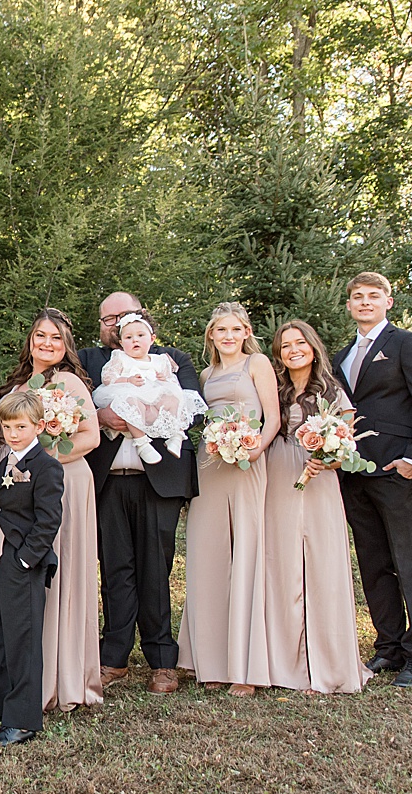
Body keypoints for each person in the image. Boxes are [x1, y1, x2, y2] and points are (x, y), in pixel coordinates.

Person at [80, 293, 201, 695]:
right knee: (115, 568)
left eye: (124, 318)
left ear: (144, 323)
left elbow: (186, 407)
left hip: (158, 480)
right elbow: (75, 405)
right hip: (109, 481)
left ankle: (162, 659)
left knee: (157, 568)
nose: (116, 326)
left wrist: (142, 412)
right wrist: (98, 415)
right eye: (108, 319)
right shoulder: (91, 361)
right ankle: (113, 657)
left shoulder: (170, 360)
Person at [332, 272, 412, 688]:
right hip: (353, 472)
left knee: (409, 558)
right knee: (374, 561)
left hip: (398, 469)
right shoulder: (343, 355)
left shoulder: (406, 344)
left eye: (373, 296)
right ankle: (389, 647)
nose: (364, 302)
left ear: (388, 302)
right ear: (348, 305)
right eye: (357, 297)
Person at [2, 308, 102, 712]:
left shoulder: (70, 382)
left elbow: (91, 437)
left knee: (62, 572)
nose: (46, 343)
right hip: (27, 490)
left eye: (55, 338)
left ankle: (65, 676)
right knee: (33, 578)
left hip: (66, 482)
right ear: (31, 339)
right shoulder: (21, 383)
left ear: (65, 346)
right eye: (40, 335)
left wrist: (41, 464)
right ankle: (32, 674)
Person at [263, 320, 371, 694]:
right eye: (285, 345)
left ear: (313, 347)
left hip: (318, 479)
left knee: (319, 564)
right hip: (276, 473)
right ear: (278, 353)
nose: (294, 350)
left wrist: (327, 459)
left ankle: (324, 662)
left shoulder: (332, 391)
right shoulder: (273, 391)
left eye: (300, 343)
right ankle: (282, 663)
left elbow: (347, 446)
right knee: (280, 563)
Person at [179, 302, 280, 696]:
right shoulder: (205, 373)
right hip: (211, 463)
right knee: (208, 555)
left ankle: (246, 666)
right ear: (211, 336)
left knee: (245, 554)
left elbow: (272, 418)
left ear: (245, 332)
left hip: (247, 462)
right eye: (221, 330)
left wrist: (254, 451)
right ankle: (212, 660)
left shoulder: (256, 364)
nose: (228, 336)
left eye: (235, 329)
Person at [0, 391, 65, 748]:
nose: (12, 433)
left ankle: (22, 720)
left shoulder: (47, 466)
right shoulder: (2, 461)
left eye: (20, 427)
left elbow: (48, 521)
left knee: (22, 639)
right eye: (7, 426)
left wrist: (26, 559)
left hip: (22, 561)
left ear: (39, 426)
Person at [91, 313, 207, 463]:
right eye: (128, 338)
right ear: (121, 342)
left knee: (175, 397)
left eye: (140, 335)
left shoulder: (161, 360)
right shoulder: (120, 358)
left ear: (152, 339)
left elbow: (174, 383)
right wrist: (127, 379)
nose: (135, 340)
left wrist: (164, 379)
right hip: (130, 393)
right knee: (130, 402)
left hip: (154, 398)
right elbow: (108, 377)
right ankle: (142, 443)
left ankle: (177, 436)